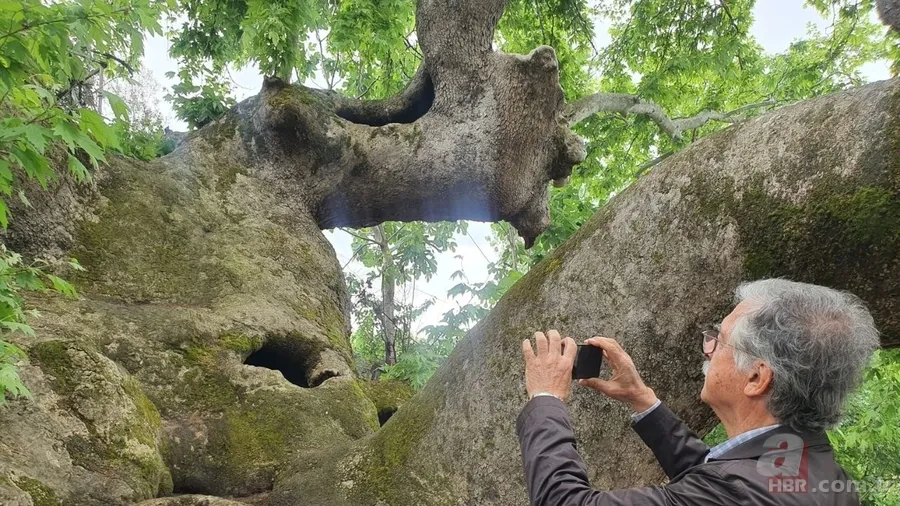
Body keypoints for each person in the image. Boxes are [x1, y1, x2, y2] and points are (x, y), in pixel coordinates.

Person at [518, 278, 879, 506]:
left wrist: (546, 399)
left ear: (756, 378)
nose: (707, 349)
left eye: (718, 340)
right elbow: (718, 472)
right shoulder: (819, 471)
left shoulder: (739, 491)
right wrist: (643, 400)